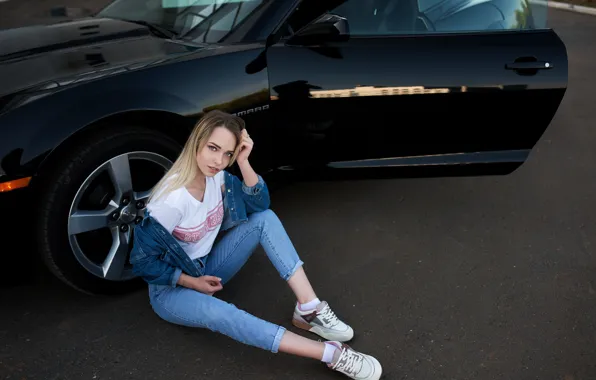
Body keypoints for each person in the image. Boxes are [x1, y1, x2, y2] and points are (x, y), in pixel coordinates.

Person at [130, 110, 383, 380]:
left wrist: (243, 162)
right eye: (213, 148)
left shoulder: (219, 178)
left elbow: (259, 205)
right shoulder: (171, 201)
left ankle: (309, 310)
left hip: (205, 267)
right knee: (224, 314)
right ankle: (331, 353)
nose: (218, 161)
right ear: (196, 142)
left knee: (265, 219)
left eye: (227, 153)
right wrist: (192, 283)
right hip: (171, 290)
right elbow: (142, 261)